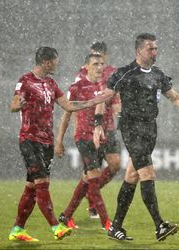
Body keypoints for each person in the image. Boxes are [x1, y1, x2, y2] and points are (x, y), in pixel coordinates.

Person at [80, 33, 179, 241]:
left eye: (156, 48)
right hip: (132, 129)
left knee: (132, 177)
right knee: (148, 173)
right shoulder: (125, 73)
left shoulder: (157, 74)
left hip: (150, 130)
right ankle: (159, 226)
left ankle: (115, 227)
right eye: (151, 48)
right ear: (139, 50)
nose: (154, 52)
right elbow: (105, 96)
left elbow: (174, 97)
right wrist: (97, 124)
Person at [8, 47, 89, 242]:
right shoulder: (25, 81)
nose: (57, 64)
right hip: (30, 139)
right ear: (46, 62)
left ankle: (17, 229)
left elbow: (68, 105)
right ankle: (56, 226)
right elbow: (13, 104)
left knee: (32, 187)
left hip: (46, 142)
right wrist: (17, 105)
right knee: (42, 184)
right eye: (55, 61)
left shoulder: (51, 83)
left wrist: (92, 102)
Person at [55, 53, 120, 231]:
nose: (100, 67)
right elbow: (66, 115)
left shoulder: (108, 87)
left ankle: (66, 215)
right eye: (95, 64)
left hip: (103, 137)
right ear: (86, 67)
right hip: (84, 137)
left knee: (88, 178)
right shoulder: (77, 87)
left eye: (102, 64)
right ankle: (107, 223)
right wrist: (59, 141)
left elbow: (115, 107)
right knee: (93, 177)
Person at [71, 41, 121, 220]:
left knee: (115, 164)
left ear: (106, 55)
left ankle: (90, 195)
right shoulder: (82, 73)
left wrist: (119, 114)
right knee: (92, 172)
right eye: (93, 54)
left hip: (109, 126)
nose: (97, 59)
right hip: (89, 128)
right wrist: (77, 126)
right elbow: (75, 102)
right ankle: (92, 206)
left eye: (99, 54)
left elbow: (116, 97)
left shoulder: (113, 72)